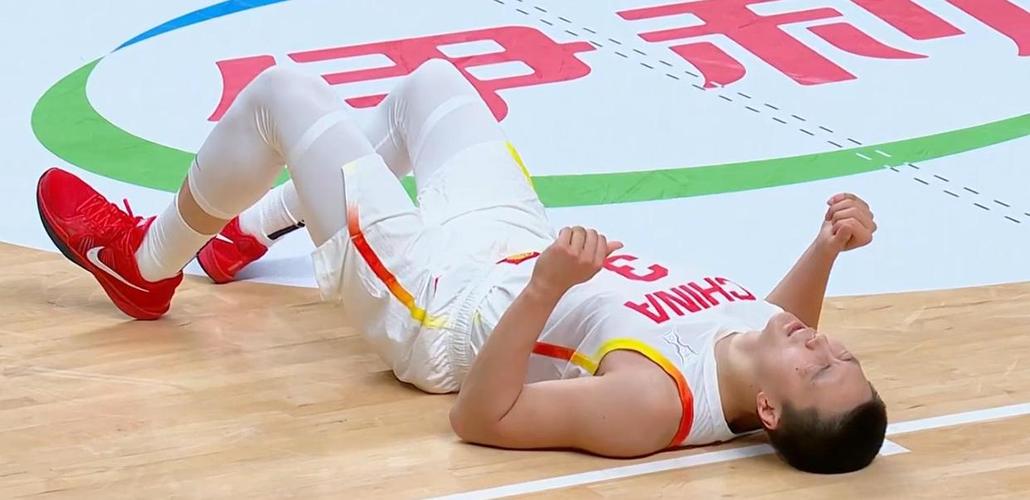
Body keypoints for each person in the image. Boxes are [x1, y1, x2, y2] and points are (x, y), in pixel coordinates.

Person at [36, 59, 886, 473]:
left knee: (280, 95)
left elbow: (481, 416)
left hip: (440, 308)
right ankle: (243, 230)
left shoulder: (651, 404)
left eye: (819, 367)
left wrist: (547, 288)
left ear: (768, 410)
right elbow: (785, 321)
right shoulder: (761, 346)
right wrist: (823, 249)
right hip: (508, 248)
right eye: (843, 352)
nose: (823, 343)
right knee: (431, 87)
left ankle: (143, 264)